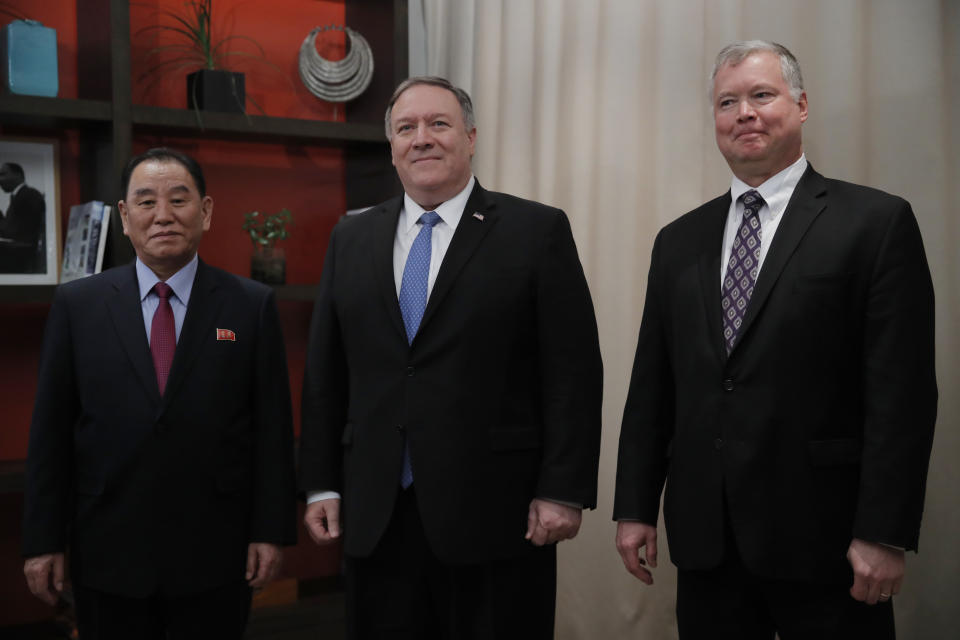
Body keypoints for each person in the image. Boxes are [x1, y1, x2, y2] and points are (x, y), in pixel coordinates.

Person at [613, 41, 936, 639]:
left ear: (802, 104)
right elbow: (652, 388)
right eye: (727, 102)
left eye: (762, 95)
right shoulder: (678, 241)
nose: (744, 113)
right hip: (709, 538)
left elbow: (903, 395)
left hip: (829, 539)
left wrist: (884, 532)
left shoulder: (875, 223)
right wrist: (634, 507)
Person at [299, 76, 603, 638]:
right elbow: (327, 372)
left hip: (497, 512)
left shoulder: (536, 231)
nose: (422, 139)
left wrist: (562, 488)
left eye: (438, 124)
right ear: (391, 146)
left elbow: (573, 373)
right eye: (405, 128)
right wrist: (321, 482)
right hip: (377, 511)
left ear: (469, 137)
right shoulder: (352, 236)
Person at [22, 148, 297, 639]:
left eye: (179, 199)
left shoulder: (250, 306)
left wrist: (270, 531)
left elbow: (272, 430)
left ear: (206, 211)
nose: (163, 215)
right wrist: (43, 540)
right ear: (125, 217)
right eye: (146, 202)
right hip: (107, 550)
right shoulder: (77, 306)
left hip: (216, 550)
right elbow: (51, 432)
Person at [0, 162, 46, 273]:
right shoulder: (19, 196)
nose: (0, 179)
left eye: (3, 174)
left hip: (20, 258)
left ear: (18, 175)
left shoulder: (30, 195)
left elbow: (23, 233)